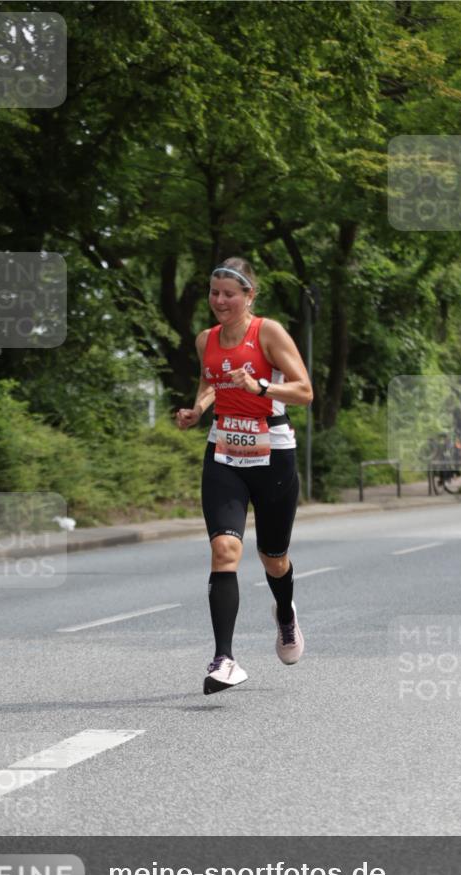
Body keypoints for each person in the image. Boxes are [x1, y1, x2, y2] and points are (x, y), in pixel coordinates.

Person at [175, 258, 313, 695]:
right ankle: (224, 659)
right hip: (224, 453)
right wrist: (198, 409)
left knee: (273, 557)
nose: (219, 301)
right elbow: (211, 381)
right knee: (224, 549)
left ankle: (285, 615)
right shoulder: (206, 339)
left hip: (272, 453)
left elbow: (305, 391)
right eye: (214, 293)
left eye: (229, 294)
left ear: (249, 296)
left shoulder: (267, 333)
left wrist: (261, 388)